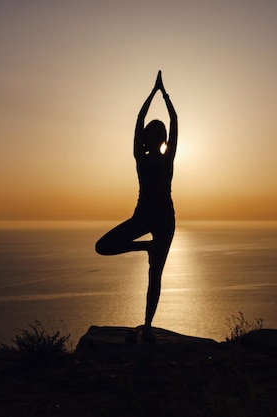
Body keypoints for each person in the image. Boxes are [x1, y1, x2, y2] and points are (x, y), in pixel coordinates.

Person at [95, 71, 177, 342]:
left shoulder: (168, 159)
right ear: (146, 136)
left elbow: (175, 120)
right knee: (103, 246)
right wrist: (151, 94)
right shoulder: (139, 158)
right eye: (151, 132)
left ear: (163, 136)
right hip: (142, 215)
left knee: (156, 274)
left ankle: (148, 325)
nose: (155, 134)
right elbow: (138, 121)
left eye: (158, 132)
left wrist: (164, 95)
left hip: (165, 218)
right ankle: (145, 247)